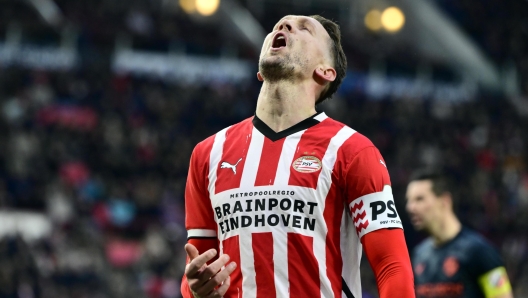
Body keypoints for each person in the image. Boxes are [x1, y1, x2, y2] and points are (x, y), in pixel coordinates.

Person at [182, 14, 414, 298]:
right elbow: (196, 269)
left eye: (305, 29)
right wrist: (195, 288)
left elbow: (392, 266)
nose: (284, 26)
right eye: (278, 25)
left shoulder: (352, 150)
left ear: (325, 71)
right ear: (260, 70)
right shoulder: (208, 153)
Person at [406, 170, 513, 298]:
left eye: (419, 199)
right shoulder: (419, 254)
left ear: (445, 201)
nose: (410, 208)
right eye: (409, 201)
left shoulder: (480, 252)